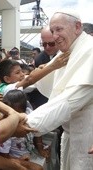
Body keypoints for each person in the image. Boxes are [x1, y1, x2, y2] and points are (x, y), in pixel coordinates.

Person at [24, 9, 93, 170]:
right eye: (53, 30)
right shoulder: (69, 50)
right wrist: (14, 87)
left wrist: (23, 123)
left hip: (88, 134)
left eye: (59, 29)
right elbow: (38, 78)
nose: (55, 36)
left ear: (77, 27)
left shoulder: (89, 50)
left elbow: (68, 100)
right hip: (71, 133)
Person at [0, 89, 50, 170]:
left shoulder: (28, 115)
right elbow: (3, 157)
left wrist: (40, 147)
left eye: (20, 115)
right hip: (15, 158)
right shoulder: (6, 131)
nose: (17, 118)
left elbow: (37, 131)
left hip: (29, 151)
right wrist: (20, 161)